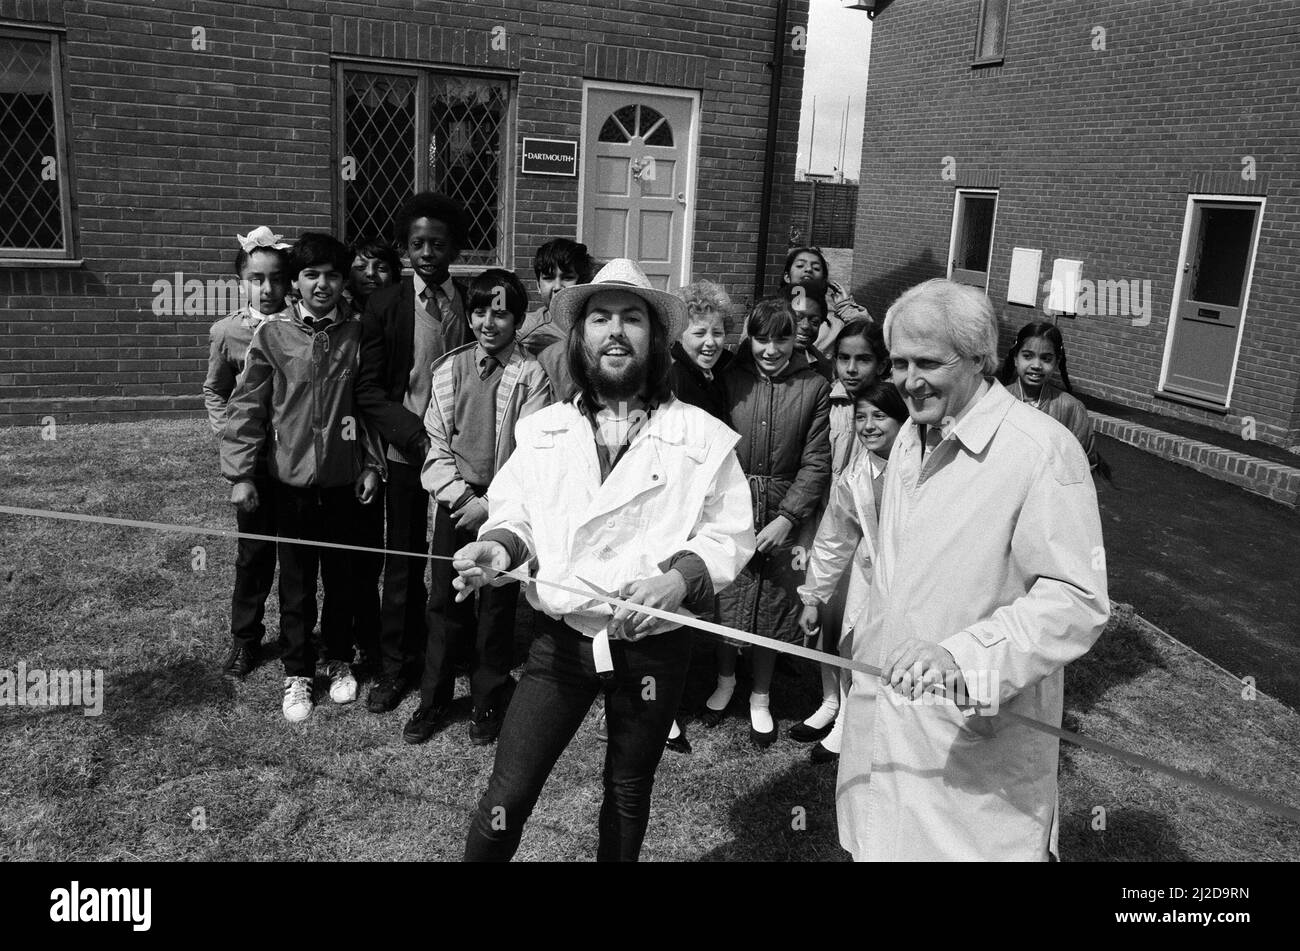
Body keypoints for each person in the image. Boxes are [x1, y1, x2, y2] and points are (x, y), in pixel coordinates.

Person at [453, 258, 756, 861]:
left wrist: (679, 578)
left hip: (653, 646)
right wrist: (501, 545)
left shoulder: (700, 435)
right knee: (506, 795)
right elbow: (517, 514)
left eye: (632, 318)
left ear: (655, 338)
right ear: (581, 337)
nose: (615, 331)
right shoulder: (544, 432)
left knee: (626, 791)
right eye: (600, 318)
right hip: (561, 644)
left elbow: (729, 532)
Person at [837, 278, 1110, 861]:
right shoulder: (912, 436)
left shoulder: (1042, 452)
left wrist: (967, 655)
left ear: (982, 359)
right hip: (887, 725)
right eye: (901, 362)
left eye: (930, 363)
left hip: (973, 746)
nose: (909, 382)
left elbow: (1075, 601)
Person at [222, 232, 386, 723]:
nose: (322, 284)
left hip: (341, 483)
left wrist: (372, 463)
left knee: (341, 578)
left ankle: (338, 659)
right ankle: (297, 670)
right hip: (288, 485)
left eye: (332, 275)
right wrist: (242, 474)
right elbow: (247, 406)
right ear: (295, 283)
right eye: (311, 274)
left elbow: (367, 405)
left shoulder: (358, 335)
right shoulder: (272, 337)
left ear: (344, 282)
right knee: (296, 581)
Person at [402, 269, 551, 746]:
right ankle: (434, 698)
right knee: (444, 601)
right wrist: (463, 499)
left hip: (503, 509)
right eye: (481, 311)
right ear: (469, 316)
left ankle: (488, 696)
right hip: (456, 505)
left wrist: (490, 504)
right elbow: (436, 444)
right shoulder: (448, 369)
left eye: (502, 312)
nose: (490, 322)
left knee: (496, 607)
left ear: (518, 319)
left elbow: (532, 450)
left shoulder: (532, 375)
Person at [355, 192, 473, 714]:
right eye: (417, 243)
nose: (427, 253)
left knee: (454, 560)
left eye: (438, 244)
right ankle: (394, 665)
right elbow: (370, 390)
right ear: (405, 248)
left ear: (455, 247)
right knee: (401, 561)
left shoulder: (473, 302)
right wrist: (415, 438)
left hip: (465, 459)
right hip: (409, 455)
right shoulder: (385, 304)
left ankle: (450, 654)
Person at [703, 296, 832, 747]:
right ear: (749, 338)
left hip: (783, 507)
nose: (771, 349)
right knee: (728, 593)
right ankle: (724, 680)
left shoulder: (815, 386)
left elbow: (816, 464)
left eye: (781, 338)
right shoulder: (729, 377)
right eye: (761, 338)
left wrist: (787, 518)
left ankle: (761, 695)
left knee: (775, 604)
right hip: (732, 503)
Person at [796, 381, 907, 764]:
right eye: (861, 416)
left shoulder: (921, 467)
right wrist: (814, 596)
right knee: (851, 643)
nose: (868, 425)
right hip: (866, 575)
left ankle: (875, 728)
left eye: (880, 416)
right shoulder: (857, 472)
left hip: (912, 580)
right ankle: (843, 715)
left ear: (902, 419)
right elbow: (834, 537)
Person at [204, 227, 294, 679]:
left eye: (276, 279)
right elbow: (216, 391)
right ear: (241, 280)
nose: (267, 288)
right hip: (254, 462)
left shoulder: (300, 327)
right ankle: (246, 639)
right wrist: (230, 438)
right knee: (254, 553)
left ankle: (302, 639)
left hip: (296, 457)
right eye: (257, 279)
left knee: (299, 554)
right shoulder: (228, 332)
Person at [998, 321, 1109, 477]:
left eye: (1046, 359)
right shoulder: (997, 400)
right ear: (1016, 358)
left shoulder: (1072, 409)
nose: (1036, 365)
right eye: (1027, 356)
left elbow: (1084, 464)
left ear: (1057, 362)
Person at [780, 245, 872, 353]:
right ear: (787, 276)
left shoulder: (834, 324)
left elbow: (870, 336)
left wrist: (845, 307)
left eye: (816, 268)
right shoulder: (773, 310)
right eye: (800, 266)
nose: (808, 269)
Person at [516, 238, 596, 358]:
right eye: (548, 278)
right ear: (538, 285)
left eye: (567, 278)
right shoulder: (525, 331)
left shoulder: (597, 324)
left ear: (583, 282)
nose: (557, 287)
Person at [668, 279, 734, 425]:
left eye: (717, 333)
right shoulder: (671, 379)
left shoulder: (725, 370)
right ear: (678, 335)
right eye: (699, 333)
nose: (710, 342)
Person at [783, 283, 834, 380]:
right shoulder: (756, 357)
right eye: (797, 318)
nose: (806, 326)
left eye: (814, 322)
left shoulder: (822, 368)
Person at [346, 237, 402, 310]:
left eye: (381, 268)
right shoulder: (337, 318)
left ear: (394, 275)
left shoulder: (405, 316)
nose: (370, 273)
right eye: (361, 266)